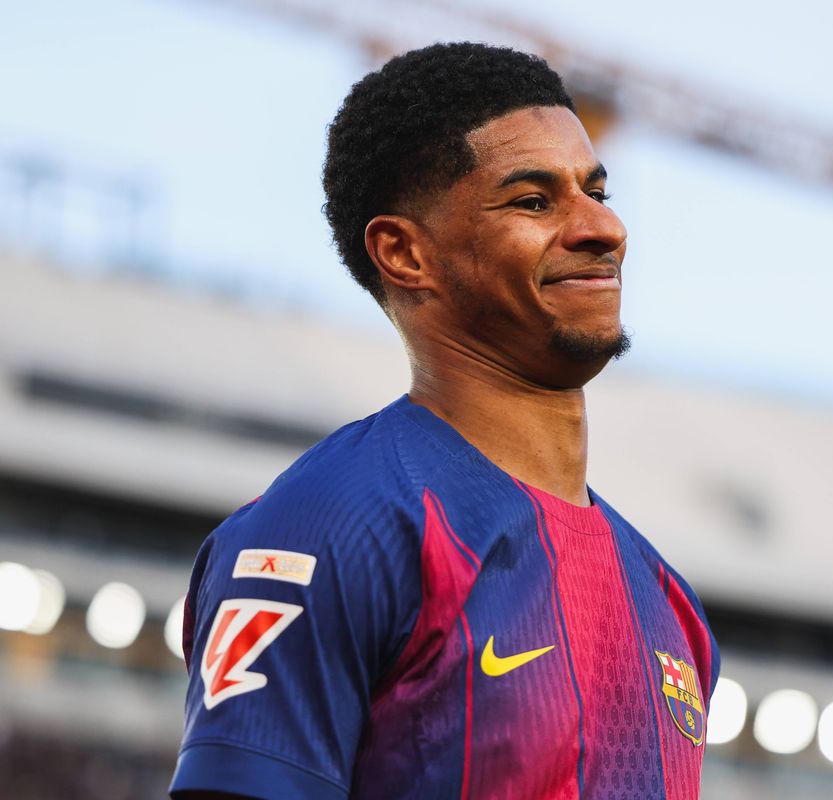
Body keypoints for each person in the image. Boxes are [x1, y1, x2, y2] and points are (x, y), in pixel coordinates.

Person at [170, 42, 719, 800]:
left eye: (598, 191)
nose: (602, 229)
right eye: (534, 201)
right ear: (404, 253)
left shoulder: (669, 600)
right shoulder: (328, 525)